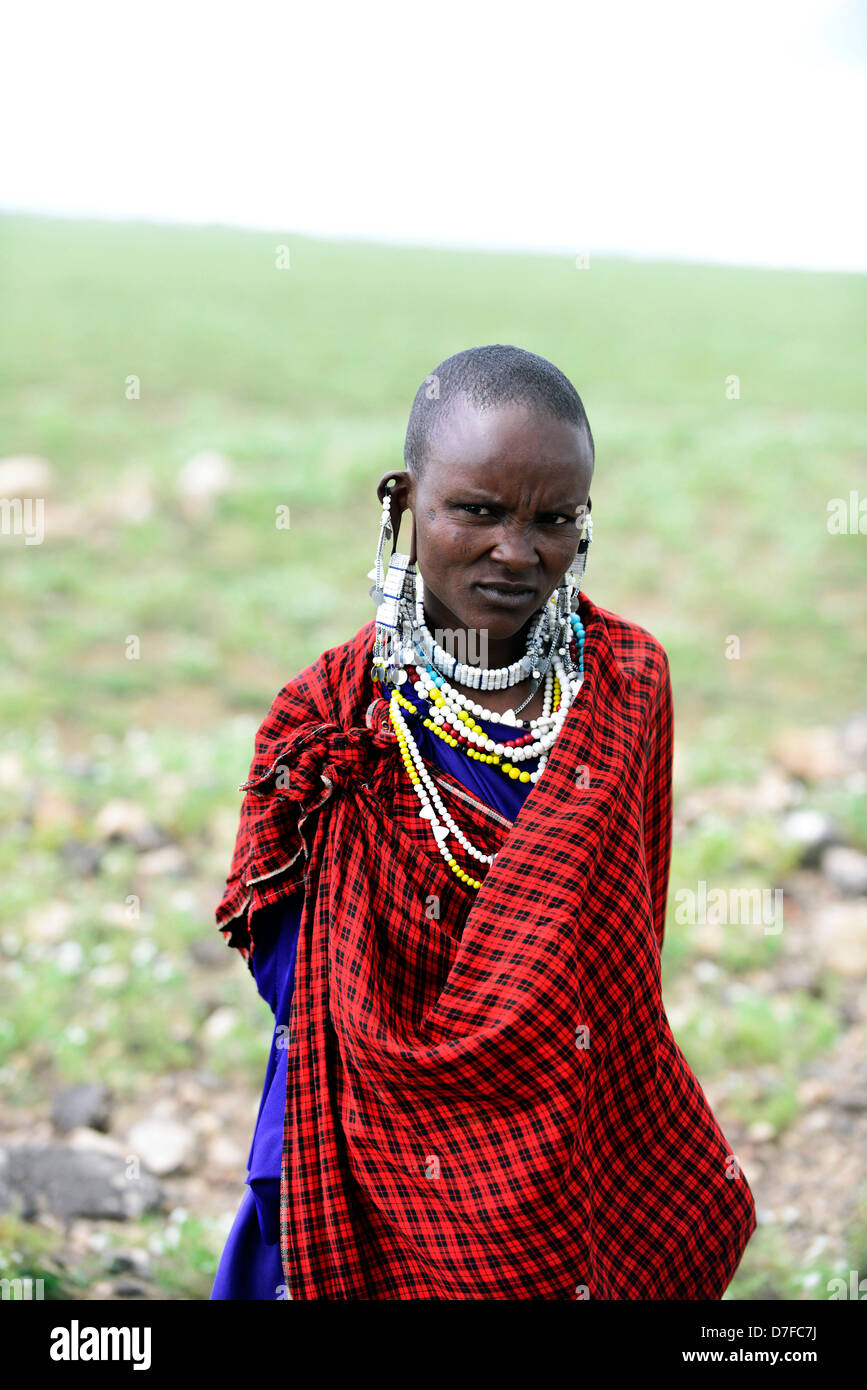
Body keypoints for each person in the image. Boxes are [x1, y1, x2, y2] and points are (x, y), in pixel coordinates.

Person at [209, 344, 756, 1301]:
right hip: (364, 1139)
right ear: (401, 502)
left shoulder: (625, 682)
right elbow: (296, 973)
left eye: (554, 520)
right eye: (477, 511)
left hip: (563, 1132)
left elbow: (619, 951)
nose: (516, 550)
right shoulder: (330, 722)